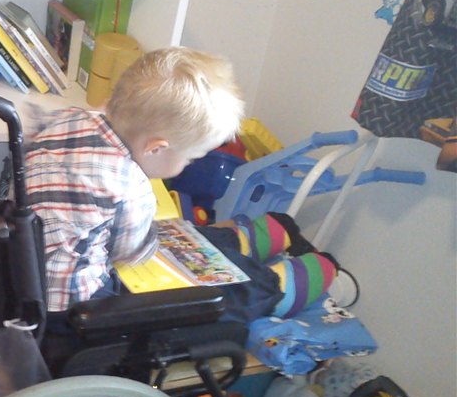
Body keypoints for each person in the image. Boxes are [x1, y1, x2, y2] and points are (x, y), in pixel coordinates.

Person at [24, 46, 337, 333]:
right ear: (156, 148)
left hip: (31, 270)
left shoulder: (72, 117)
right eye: (189, 158)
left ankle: (236, 242)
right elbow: (133, 253)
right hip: (77, 308)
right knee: (199, 290)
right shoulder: (131, 187)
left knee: (173, 236)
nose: (187, 165)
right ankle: (270, 288)